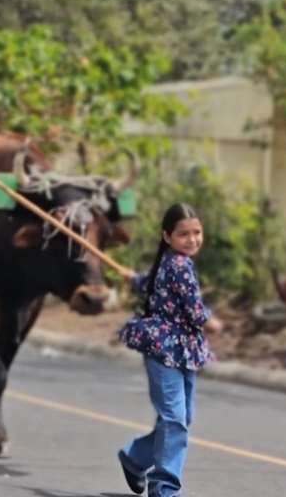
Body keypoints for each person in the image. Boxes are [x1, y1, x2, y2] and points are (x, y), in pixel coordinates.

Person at [114, 203, 223, 497]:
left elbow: (148, 285)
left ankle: (135, 458)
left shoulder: (169, 262)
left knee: (180, 419)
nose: (192, 239)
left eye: (197, 232)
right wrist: (211, 322)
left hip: (182, 349)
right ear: (167, 236)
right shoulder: (178, 265)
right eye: (183, 234)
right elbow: (194, 309)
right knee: (174, 419)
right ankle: (164, 487)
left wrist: (132, 278)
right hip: (165, 350)